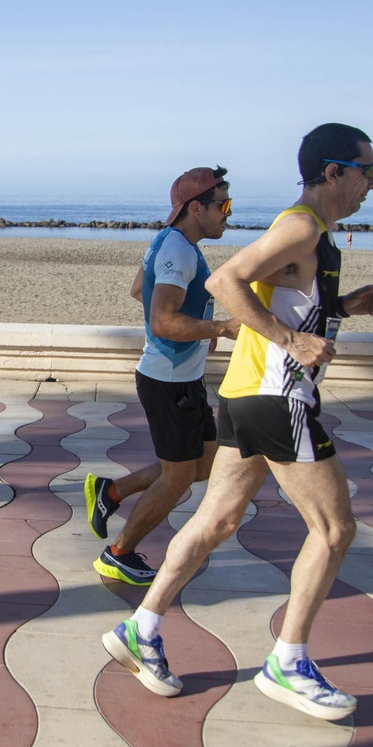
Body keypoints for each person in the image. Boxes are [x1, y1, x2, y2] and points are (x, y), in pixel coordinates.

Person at [101, 123, 373, 722]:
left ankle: (142, 629)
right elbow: (223, 281)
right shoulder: (302, 224)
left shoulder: (312, 233)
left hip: (244, 394)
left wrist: (341, 304)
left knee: (217, 518)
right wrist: (290, 340)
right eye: (368, 170)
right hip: (277, 398)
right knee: (334, 530)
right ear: (333, 172)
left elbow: (284, 292)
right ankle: (288, 662)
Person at [85, 167, 241, 585]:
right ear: (196, 207)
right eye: (222, 204)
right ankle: (118, 554)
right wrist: (220, 327)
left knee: (202, 463)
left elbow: (141, 288)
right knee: (178, 480)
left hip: (179, 378)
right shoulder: (182, 250)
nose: (229, 212)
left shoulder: (171, 241)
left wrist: (197, 322)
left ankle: (111, 492)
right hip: (168, 381)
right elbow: (162, 321)